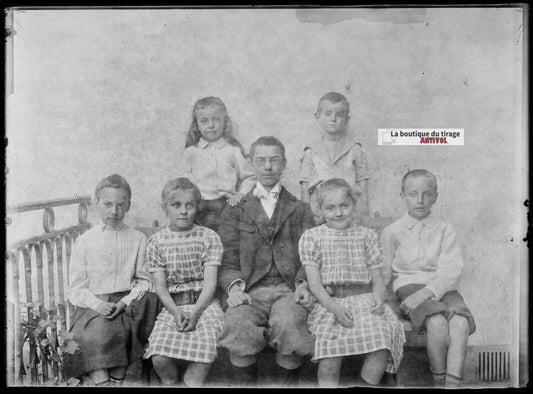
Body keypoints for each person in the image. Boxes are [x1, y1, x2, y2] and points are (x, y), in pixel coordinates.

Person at [217, 136, 315, 387]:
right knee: (238, 323)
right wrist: (235, 288)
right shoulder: (236, 208)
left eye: (274, 160)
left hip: (288, 289)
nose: (268, 167)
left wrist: (303, 283)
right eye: (261, 161)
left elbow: (311, 256)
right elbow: (226, 258)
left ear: (284, 164)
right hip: (250, 289)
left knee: (291, 323)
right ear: (251, 163)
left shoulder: (301, 209)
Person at [299, 178, 405, 388]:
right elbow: (315, 284)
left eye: (344, 206)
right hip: (330, 304)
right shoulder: (312, 237)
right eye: (330, 208)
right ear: (320, 210)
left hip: (364, 301)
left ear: (354, 206)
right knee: (330, 356)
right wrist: (334, 308)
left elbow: (377, 280)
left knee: (380, 343)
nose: (338, 213)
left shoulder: (366, 235)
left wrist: (378, 298)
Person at [380, 169, 476, 388]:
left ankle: (453, 386)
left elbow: (452, 269)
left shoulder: (445, 229)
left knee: (460, 324)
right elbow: (384, 272)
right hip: (408, 288)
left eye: (427, 194)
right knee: (438, 322)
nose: (420, 200)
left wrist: (427, 293)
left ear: (435, 197)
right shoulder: (392, 231)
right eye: (413, 194)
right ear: (402, 196)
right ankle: (439, 382)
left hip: (442, 289)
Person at [65, 174, 160, 386]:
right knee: (95, 334)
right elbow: (76, 289)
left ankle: (115, 381)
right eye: (107, 204)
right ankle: (104, 382)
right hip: (93, 306)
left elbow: (144, 281)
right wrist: (98, 304)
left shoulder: (138, 239)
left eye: (120, 205)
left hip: (126, 305)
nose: (114, 211)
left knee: (121, 330)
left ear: (128, 206)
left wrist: (124, 302)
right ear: (96, 203)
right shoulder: (85, 241)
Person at [143, 178, 225, 387]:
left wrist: (196, 313)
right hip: (172, 307)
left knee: (203, 353)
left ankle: (190, 383)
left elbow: (210, 285)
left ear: (197, 208)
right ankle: (171, 382)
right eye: (176, 205)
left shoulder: (208, 237)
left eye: (190, 205)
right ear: (165, 208)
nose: (183, 211)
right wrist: (176, 312)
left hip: (204, 306)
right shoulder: (157, 241)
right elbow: (160, 287)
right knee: (159, 356)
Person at [182, 96, 255, 232]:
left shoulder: (233, 150)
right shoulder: (191, 152)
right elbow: (186, 183)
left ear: (225, 122)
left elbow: (249, 177)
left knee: (228, 243)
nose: (211, 125)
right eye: (204, 121)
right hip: (200, 208)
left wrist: (241, 194)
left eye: (216, 119)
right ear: (196, 125)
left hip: (226, 206)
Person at [299, 92, 370, 224]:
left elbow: (363, 184)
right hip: (320, 217)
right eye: (328, 114)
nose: (333, 118)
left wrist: (364, 217)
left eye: (339, 114)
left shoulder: (354, 149)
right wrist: (307, 220)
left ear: (347, 119)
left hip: (349, 216)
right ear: (317, 116)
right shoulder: (311, 151)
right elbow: (305, 188)